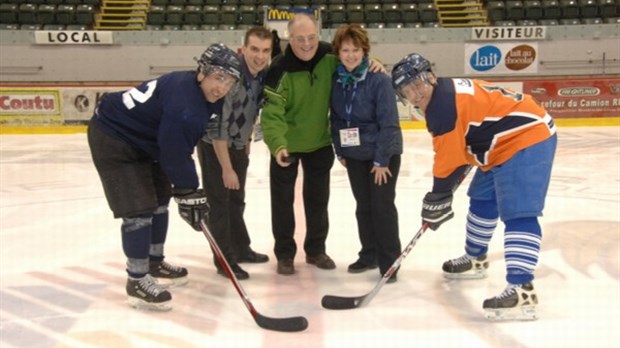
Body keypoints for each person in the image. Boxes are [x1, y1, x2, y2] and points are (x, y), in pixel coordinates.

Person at [391, 53, 557, 320]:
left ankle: (521, 289)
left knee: (519, 213)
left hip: (527, 137)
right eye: (407, 90)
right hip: (498, 142)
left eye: (417, 83)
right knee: (482, 199)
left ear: (430, 77)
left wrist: (438, 196)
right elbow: (464, 139)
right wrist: (440, 196)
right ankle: (476, 258)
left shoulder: (442, 106)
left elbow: (449, 160)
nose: (415, 93)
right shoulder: (441, 97)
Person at [87, 43, 241, 311]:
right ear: (202, 72)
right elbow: (175, 151)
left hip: (146, 141)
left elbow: (179, 146)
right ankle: (137, 280)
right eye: (218, 78)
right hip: (115, 137)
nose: (222, 88)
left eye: (229, 82)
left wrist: (186, 192)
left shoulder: (199, 93)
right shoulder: (186, 105)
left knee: (160, 200)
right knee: (139, 210)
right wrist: (189, 190)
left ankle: (154, 262)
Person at [261, 13, 385, 275]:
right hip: (287, 145)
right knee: (282, 202)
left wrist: (374, 62)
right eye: (300, 39)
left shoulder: (330, 57)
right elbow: (272, 114)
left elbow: (355, 62)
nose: (307, 44)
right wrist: (278, 145)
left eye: (312, 37)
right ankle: (285, 254)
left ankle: (316, 250)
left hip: (319, 143)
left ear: (319, 35)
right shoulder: (278, 68)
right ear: (288, 37)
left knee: (317, 201)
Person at [196, 26, 272, 281]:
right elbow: (218, 127)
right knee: (219, 204)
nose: (259, 56)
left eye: (265, 51)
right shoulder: (231, 76)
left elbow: (251, 115)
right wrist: (227, 168)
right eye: (254, 49)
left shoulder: (260, 76)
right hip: (215, 146)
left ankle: (241, 248)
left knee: (236, 201)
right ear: (244, 49)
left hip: (238, 146)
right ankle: (224, 261)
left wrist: (246, 146)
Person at [329, 24, 403, 283]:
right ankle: (369, 254)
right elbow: (337, 119)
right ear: (338, 52)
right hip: (355, 155)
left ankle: (390, 262)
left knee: (382, 207)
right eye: (345, 50)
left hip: (382, 155)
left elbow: (390, 123)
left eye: (356, 50)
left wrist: (382, 160)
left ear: (364, 51)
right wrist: (341, 150)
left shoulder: (378, 79)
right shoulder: (337, 80)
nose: (350, 55)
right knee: (364, 207)